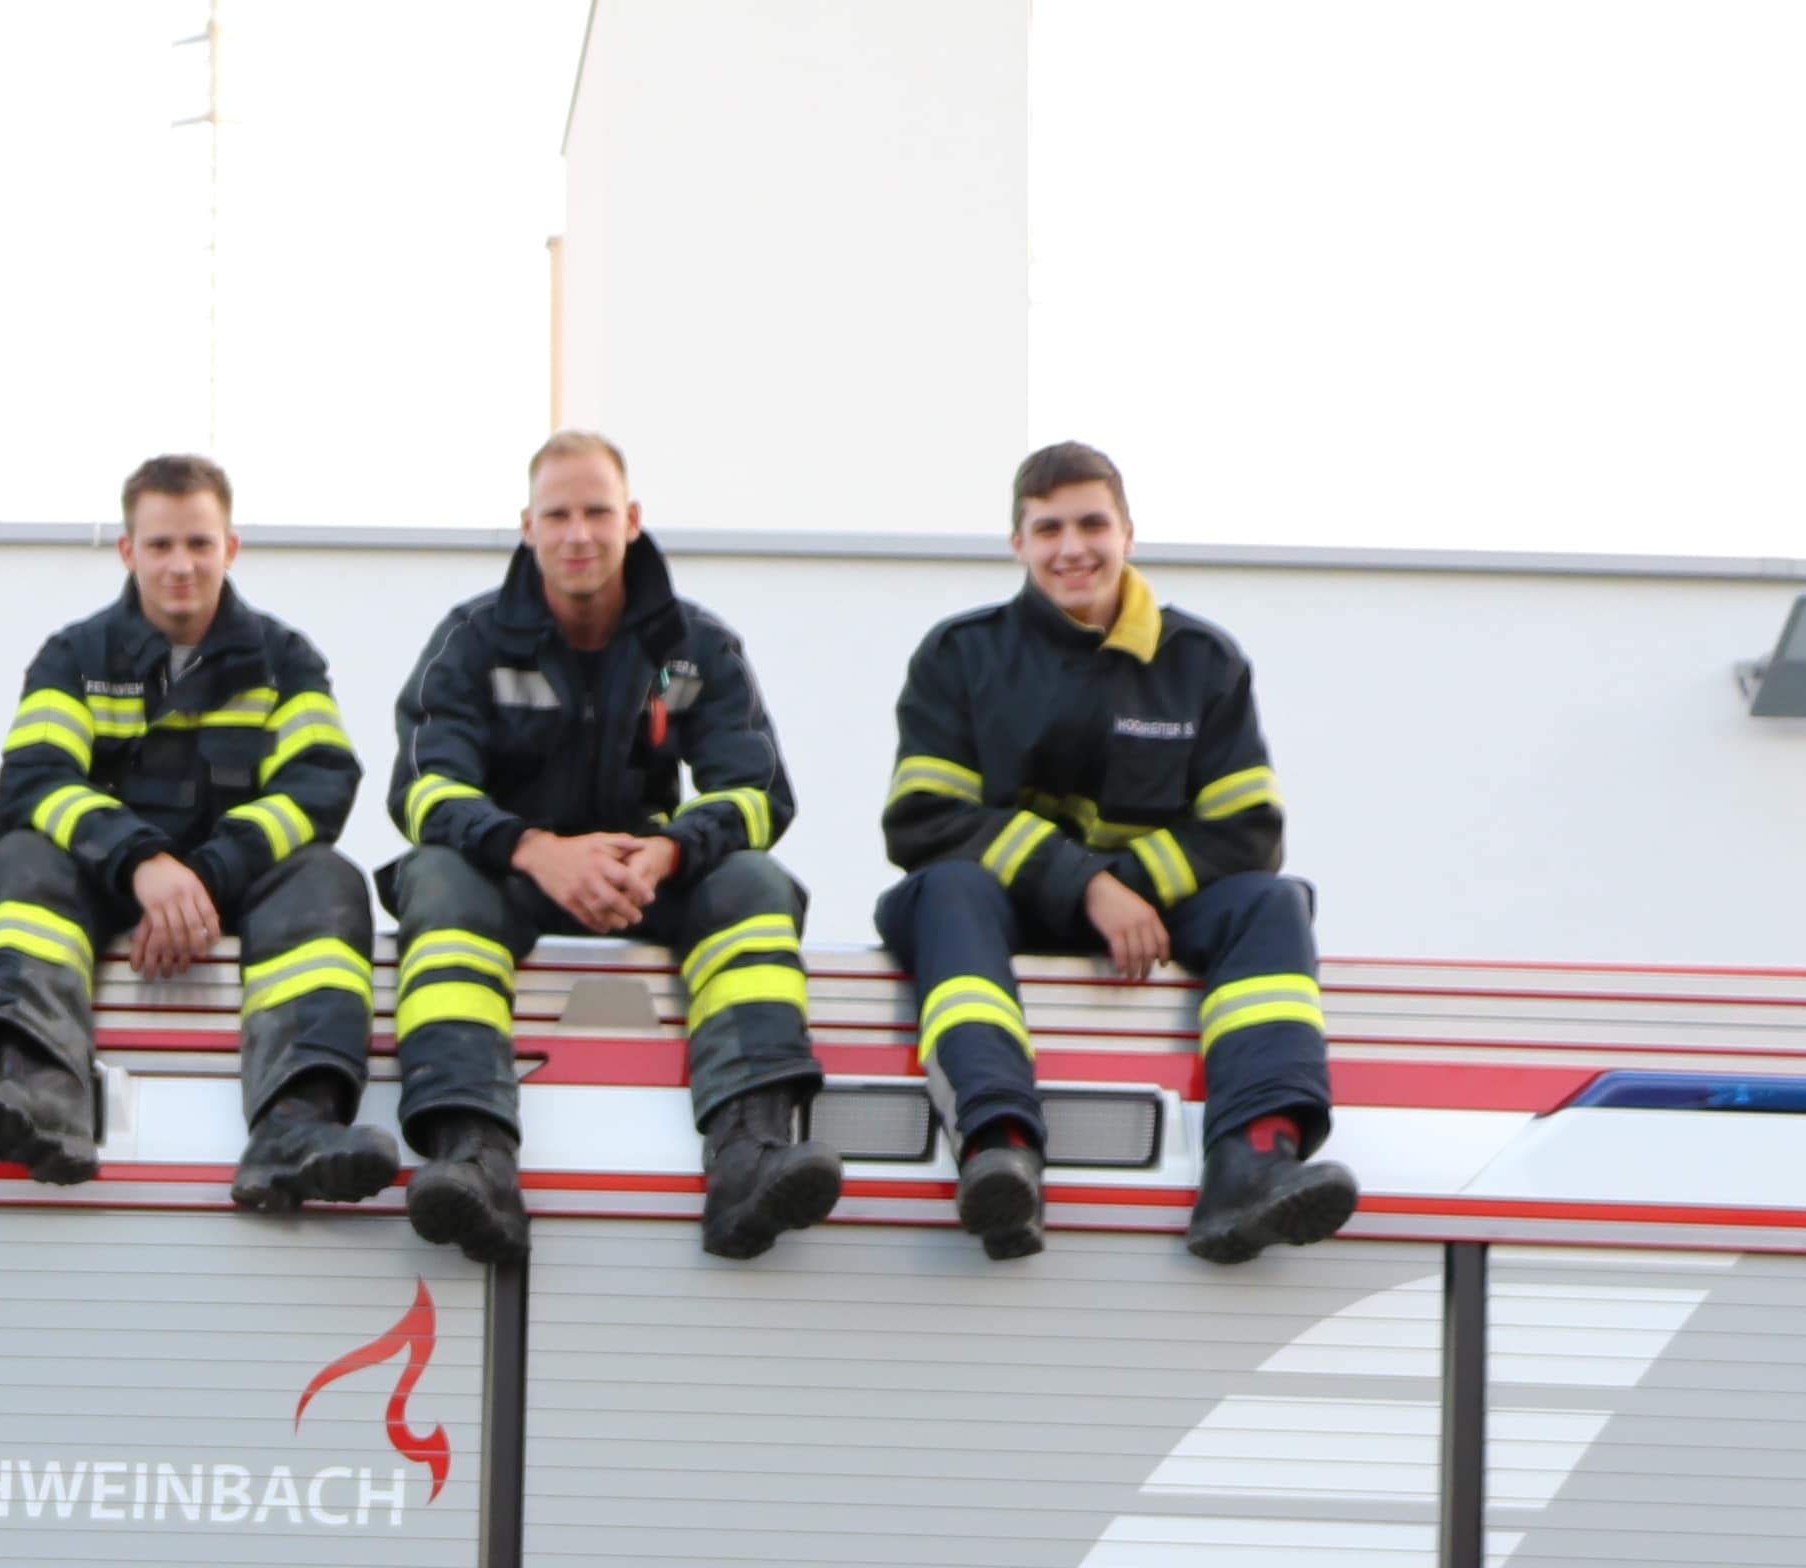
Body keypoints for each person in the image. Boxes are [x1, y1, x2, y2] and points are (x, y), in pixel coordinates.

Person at [876, 441, 1350, 1268]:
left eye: (1092, 523)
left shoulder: (1202, 661)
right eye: (1048, 527)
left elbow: (1249, 832)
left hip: (1154, 917)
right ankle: (1000, 1148)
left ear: (1129, 531)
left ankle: (1254, 1162)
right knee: (944, 888)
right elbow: (923, 819)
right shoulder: (961, 655)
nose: (1072, 548)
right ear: (1017, 543)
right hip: (995, 910)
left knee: (1275, 902)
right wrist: (1086, 886)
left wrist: (1125, 889)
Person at [381, 431, 836, 1268]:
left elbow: (757, 792)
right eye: (558, 514)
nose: (578, 532)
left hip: (647, 874)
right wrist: (535, 849)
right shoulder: (472, 640)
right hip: (509, 878)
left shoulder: (692, 651)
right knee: (437, 881)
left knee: (754, 882)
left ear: (632, 520)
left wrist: (670, 853)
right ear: (527, 526)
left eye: (597, 511)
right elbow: (423, 790)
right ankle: (472, 1158)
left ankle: (752, 1158)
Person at [0, 454, 399, 1217]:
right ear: (128, 550)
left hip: (236, 893)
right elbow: (34, 781)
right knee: (18, 856)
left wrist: (205, 880)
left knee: (329, 879)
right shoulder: (73, 657)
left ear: (231, 547)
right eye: (160, 545)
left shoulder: (285, 663)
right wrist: (143, 865)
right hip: (108, 888)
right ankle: (45, 1099)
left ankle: (296, 1130)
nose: (181, 564)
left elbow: (318, 785)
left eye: (199, 543)